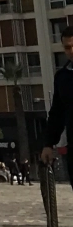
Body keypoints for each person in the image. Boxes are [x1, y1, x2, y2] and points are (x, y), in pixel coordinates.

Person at [40, 25, 73, 195]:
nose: (71, 51)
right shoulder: (62, 78)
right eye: (67, 47)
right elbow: (57, 114)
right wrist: (48, 144)